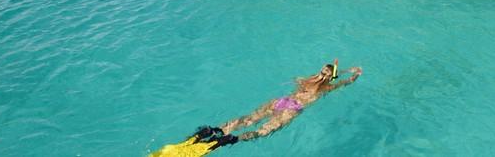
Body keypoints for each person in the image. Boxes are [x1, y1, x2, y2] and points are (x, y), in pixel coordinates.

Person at [150, 60, 361, 156]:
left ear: (320, 70)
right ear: (330, 77)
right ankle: (230, 140)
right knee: (262, 131)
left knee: (247, 119)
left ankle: (214, 131)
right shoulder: (323, 89)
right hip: (292, 109)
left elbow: (317, 76)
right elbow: (342, 82)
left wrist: (335, 68)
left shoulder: (304, 81)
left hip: (280, 101)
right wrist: (351, 73)